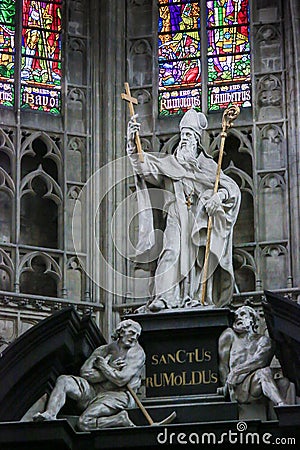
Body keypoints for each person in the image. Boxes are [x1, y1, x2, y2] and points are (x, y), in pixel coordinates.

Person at [127, 108, 241, 312]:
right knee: (171, 251)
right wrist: (132, 144)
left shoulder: (208, 166)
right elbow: (145, 169)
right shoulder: (170, 164)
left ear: (197, 139)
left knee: (196, 261)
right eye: (183, 135)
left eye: (189, 135)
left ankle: (196, 297)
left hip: (199, 217)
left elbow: (231, 188)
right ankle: (165, 297)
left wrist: (218, 196)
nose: (185, 139)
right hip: (174, 215)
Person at [33, 319, 145, 429]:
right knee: (64, 380)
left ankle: (119, 419)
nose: (134, 337)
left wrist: (103, 366)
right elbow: (85, 373)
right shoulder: (103, 350)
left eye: (137, 335)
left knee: (84, 423)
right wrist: (109, 371)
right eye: (131, 333)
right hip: (93, 390)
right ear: (121, 331)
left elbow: (121, 380)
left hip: (117, 395)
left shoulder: (137, 353)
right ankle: (50, 414)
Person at [218, 306, 286, 406]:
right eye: (236, 316)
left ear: (253, 319)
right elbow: (223, 365)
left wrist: (235, 373)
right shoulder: (230, 336)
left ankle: (282, 406)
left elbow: (259, 361)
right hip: (235, 387)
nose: (238, 317)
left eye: (242, 314)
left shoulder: (264, 341)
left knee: (274, 377)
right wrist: (226, 387)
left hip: (252, 384)